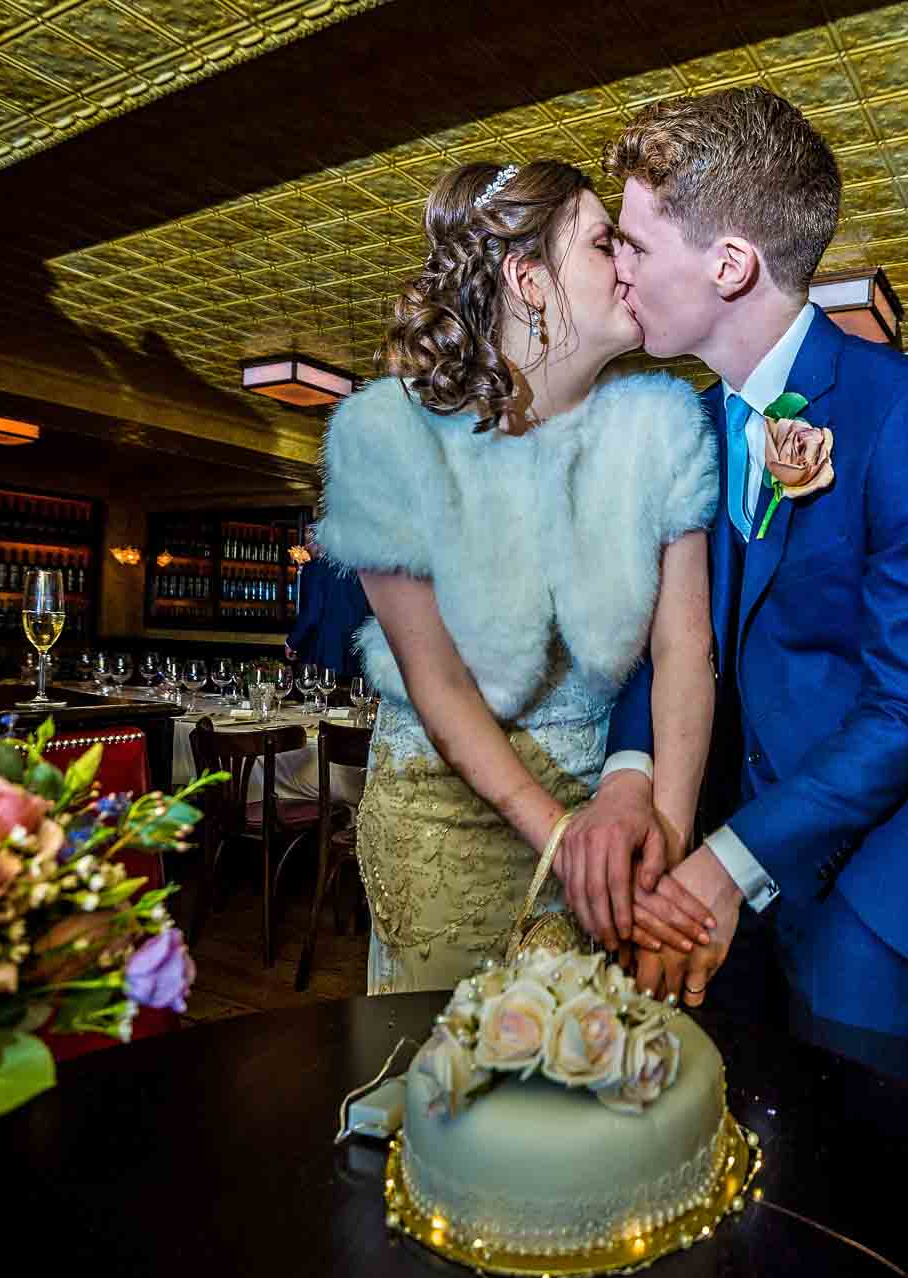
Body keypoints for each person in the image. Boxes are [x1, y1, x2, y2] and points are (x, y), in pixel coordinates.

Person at [571, 86, 908, 1089]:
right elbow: (678, 642)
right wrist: (629, 776)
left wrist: (729, 860)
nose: (621, 269)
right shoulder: (689, 424)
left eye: (637, 246)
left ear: (729, 265)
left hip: (883, 873)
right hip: (735, 845)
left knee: (853, 1169)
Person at [314, 159, 718, 994]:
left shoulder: (664, 425)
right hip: (445, 823)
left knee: (586, 1089)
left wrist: (661, 847)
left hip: (611, 834)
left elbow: (685, 653)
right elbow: (440, 684)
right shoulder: (386, 435)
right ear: (530, 279)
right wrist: (560, 837)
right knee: (450, 1088)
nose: (631, 262)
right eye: (608, 243)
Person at [284, 543, 371, 675]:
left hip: (325, 652)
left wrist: (292, 642)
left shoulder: (316, 567)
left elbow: (312, 614)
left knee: (323, 692)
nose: (305, 547)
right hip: (358, 652)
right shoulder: (363, 568)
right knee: (351, 693)